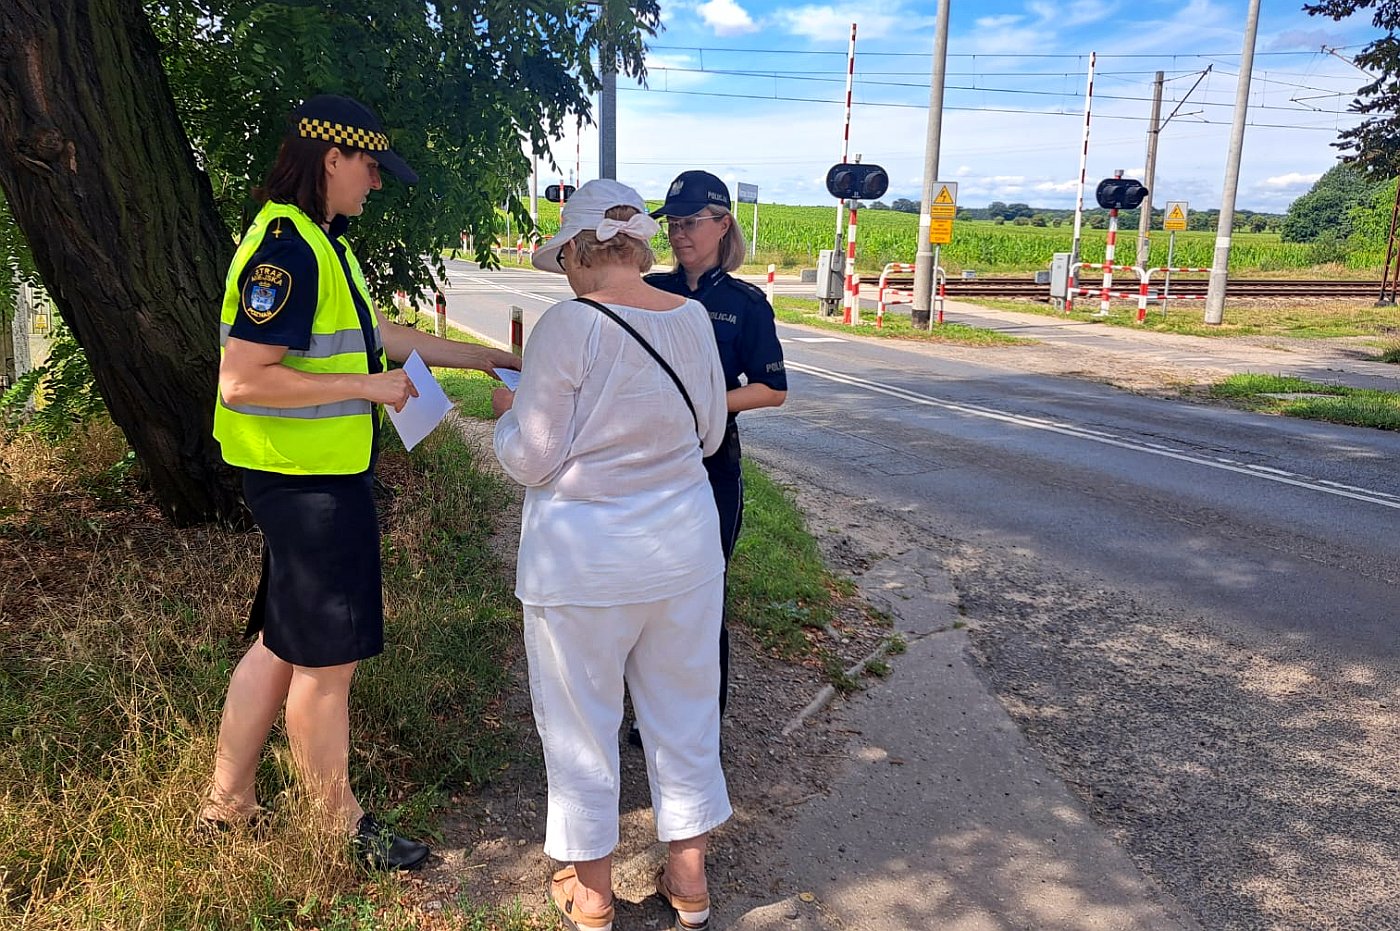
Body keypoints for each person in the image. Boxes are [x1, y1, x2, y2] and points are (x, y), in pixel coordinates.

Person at [204, 94, 518, 871]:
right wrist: (367, 389)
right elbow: (242, 381)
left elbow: (381, 336)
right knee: (326, 661)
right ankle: (337, 827)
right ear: (330, 158)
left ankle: (228, 802)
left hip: (306, 477)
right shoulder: (291, 251)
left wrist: (480, 359)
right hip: (308, 486)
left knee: (283, 645)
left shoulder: (323, 243)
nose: (375, 184)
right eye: (370, 168)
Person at [492, 179, 730, 931]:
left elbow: (532, 458)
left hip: (584, 563)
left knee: (579, 720)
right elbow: (713, 435)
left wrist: (507, 414)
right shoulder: (692, 318)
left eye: (566, 256)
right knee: (685, 711)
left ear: (586, 249)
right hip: (685, 553)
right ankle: (688, 881)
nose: (564, 271)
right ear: (638, 245)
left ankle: (592, 893)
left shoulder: (568, 325)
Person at [644, 170, 788, 721]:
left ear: (723, 224)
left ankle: (702, 723)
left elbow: (772, 389)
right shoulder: (651, 291)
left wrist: (705, 404)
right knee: (652, 595)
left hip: (711, 470)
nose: (679, 234)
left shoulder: (747, 305)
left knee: (704, 598)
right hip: (649, 466)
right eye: (672, 223)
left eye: (691, 222)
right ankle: (653, 715)